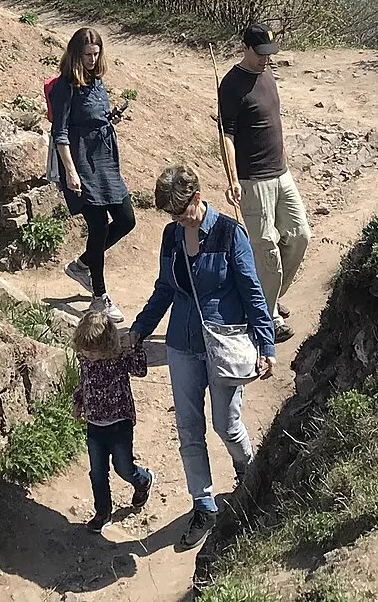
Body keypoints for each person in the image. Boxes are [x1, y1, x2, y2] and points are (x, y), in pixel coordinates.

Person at [129, 163, 275, 551]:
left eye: (180, 212)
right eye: (170, 216)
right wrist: (140, 328)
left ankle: (249, 470)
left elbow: (252, 292)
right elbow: (164, 288)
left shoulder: (230, 233)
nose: (176, 220)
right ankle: (204, 504)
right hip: (182, 343)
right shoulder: (171, 236)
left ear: (196, 198)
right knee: (189, 429)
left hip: (224, 344)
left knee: (226, 424)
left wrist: (266, 344)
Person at [217, 23, 310, 341]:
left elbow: (273, 122)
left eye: (270, 53)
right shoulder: (231, 85)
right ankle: (265, 318)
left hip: (281, 173)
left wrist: (285, 162)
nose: (266, 59)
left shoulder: (267, 74)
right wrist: (232, 178)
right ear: (245, 47)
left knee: (299, 236)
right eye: (260, 53)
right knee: (266, 251)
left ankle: (264, 299)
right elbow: (225, 136)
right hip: (252, 180)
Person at [48, 27, 134, 321]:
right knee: (97, 227)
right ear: (75, 54)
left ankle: (82, 263)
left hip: (105, 160)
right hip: (81, 162)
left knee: (126, 220)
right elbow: (59, 133)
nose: (92, 60)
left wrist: (111, 119)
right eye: (87, 55)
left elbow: (94, 115)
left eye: (96, 55)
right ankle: (99, 296)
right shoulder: (65, 88)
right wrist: (71, 172)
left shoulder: (96, 81)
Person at [71, 311, 154, 532]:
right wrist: (78, 400)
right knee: (97, 471)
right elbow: (84, 382)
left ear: (107, 344)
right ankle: (102, 511)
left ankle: (142, 480)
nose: (88, 354)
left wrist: (135, 346)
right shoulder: (85, 359)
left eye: (93, 349)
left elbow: (140, 370)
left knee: (123, 467)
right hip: (94, 424)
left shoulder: (119, 357)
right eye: (85, 349)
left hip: (119, 422)